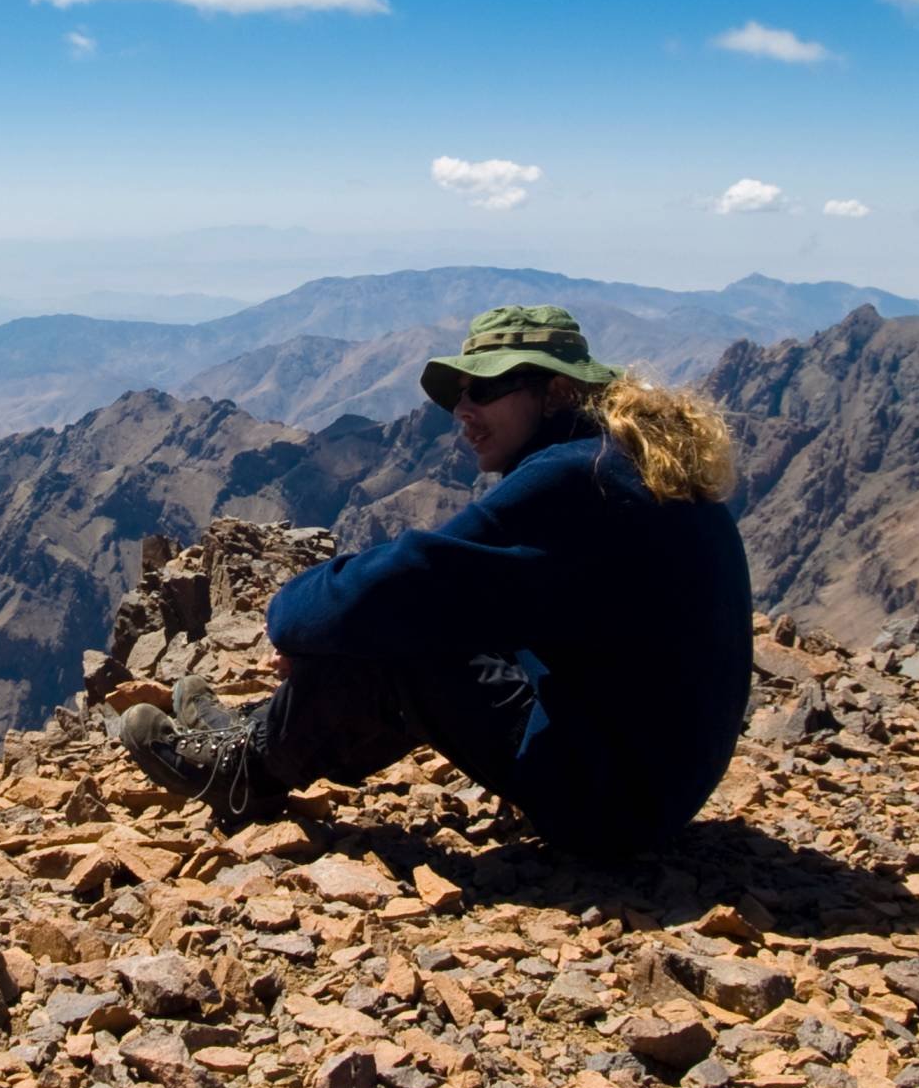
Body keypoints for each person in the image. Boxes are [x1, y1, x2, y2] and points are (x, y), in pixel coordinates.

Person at [116, 303, 753, 855]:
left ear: (557, 392)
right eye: (459, 395)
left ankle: (247, 770)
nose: (463, 411)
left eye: (486, 389)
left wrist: (296, 619)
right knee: (418, 616)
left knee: (392, 623)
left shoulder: (573, 479)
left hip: (608, 807)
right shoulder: (625, 463)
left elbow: (399, 581)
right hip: (648, 785)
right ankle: (260, 729)